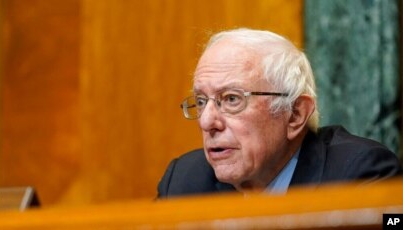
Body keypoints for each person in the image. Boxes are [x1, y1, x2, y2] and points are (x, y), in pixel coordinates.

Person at [157, 28, 402, 198]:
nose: (207, 121)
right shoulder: (183, 181)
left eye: (231, 99)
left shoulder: (360, 176)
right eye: (201, 101)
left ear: (295, 114)